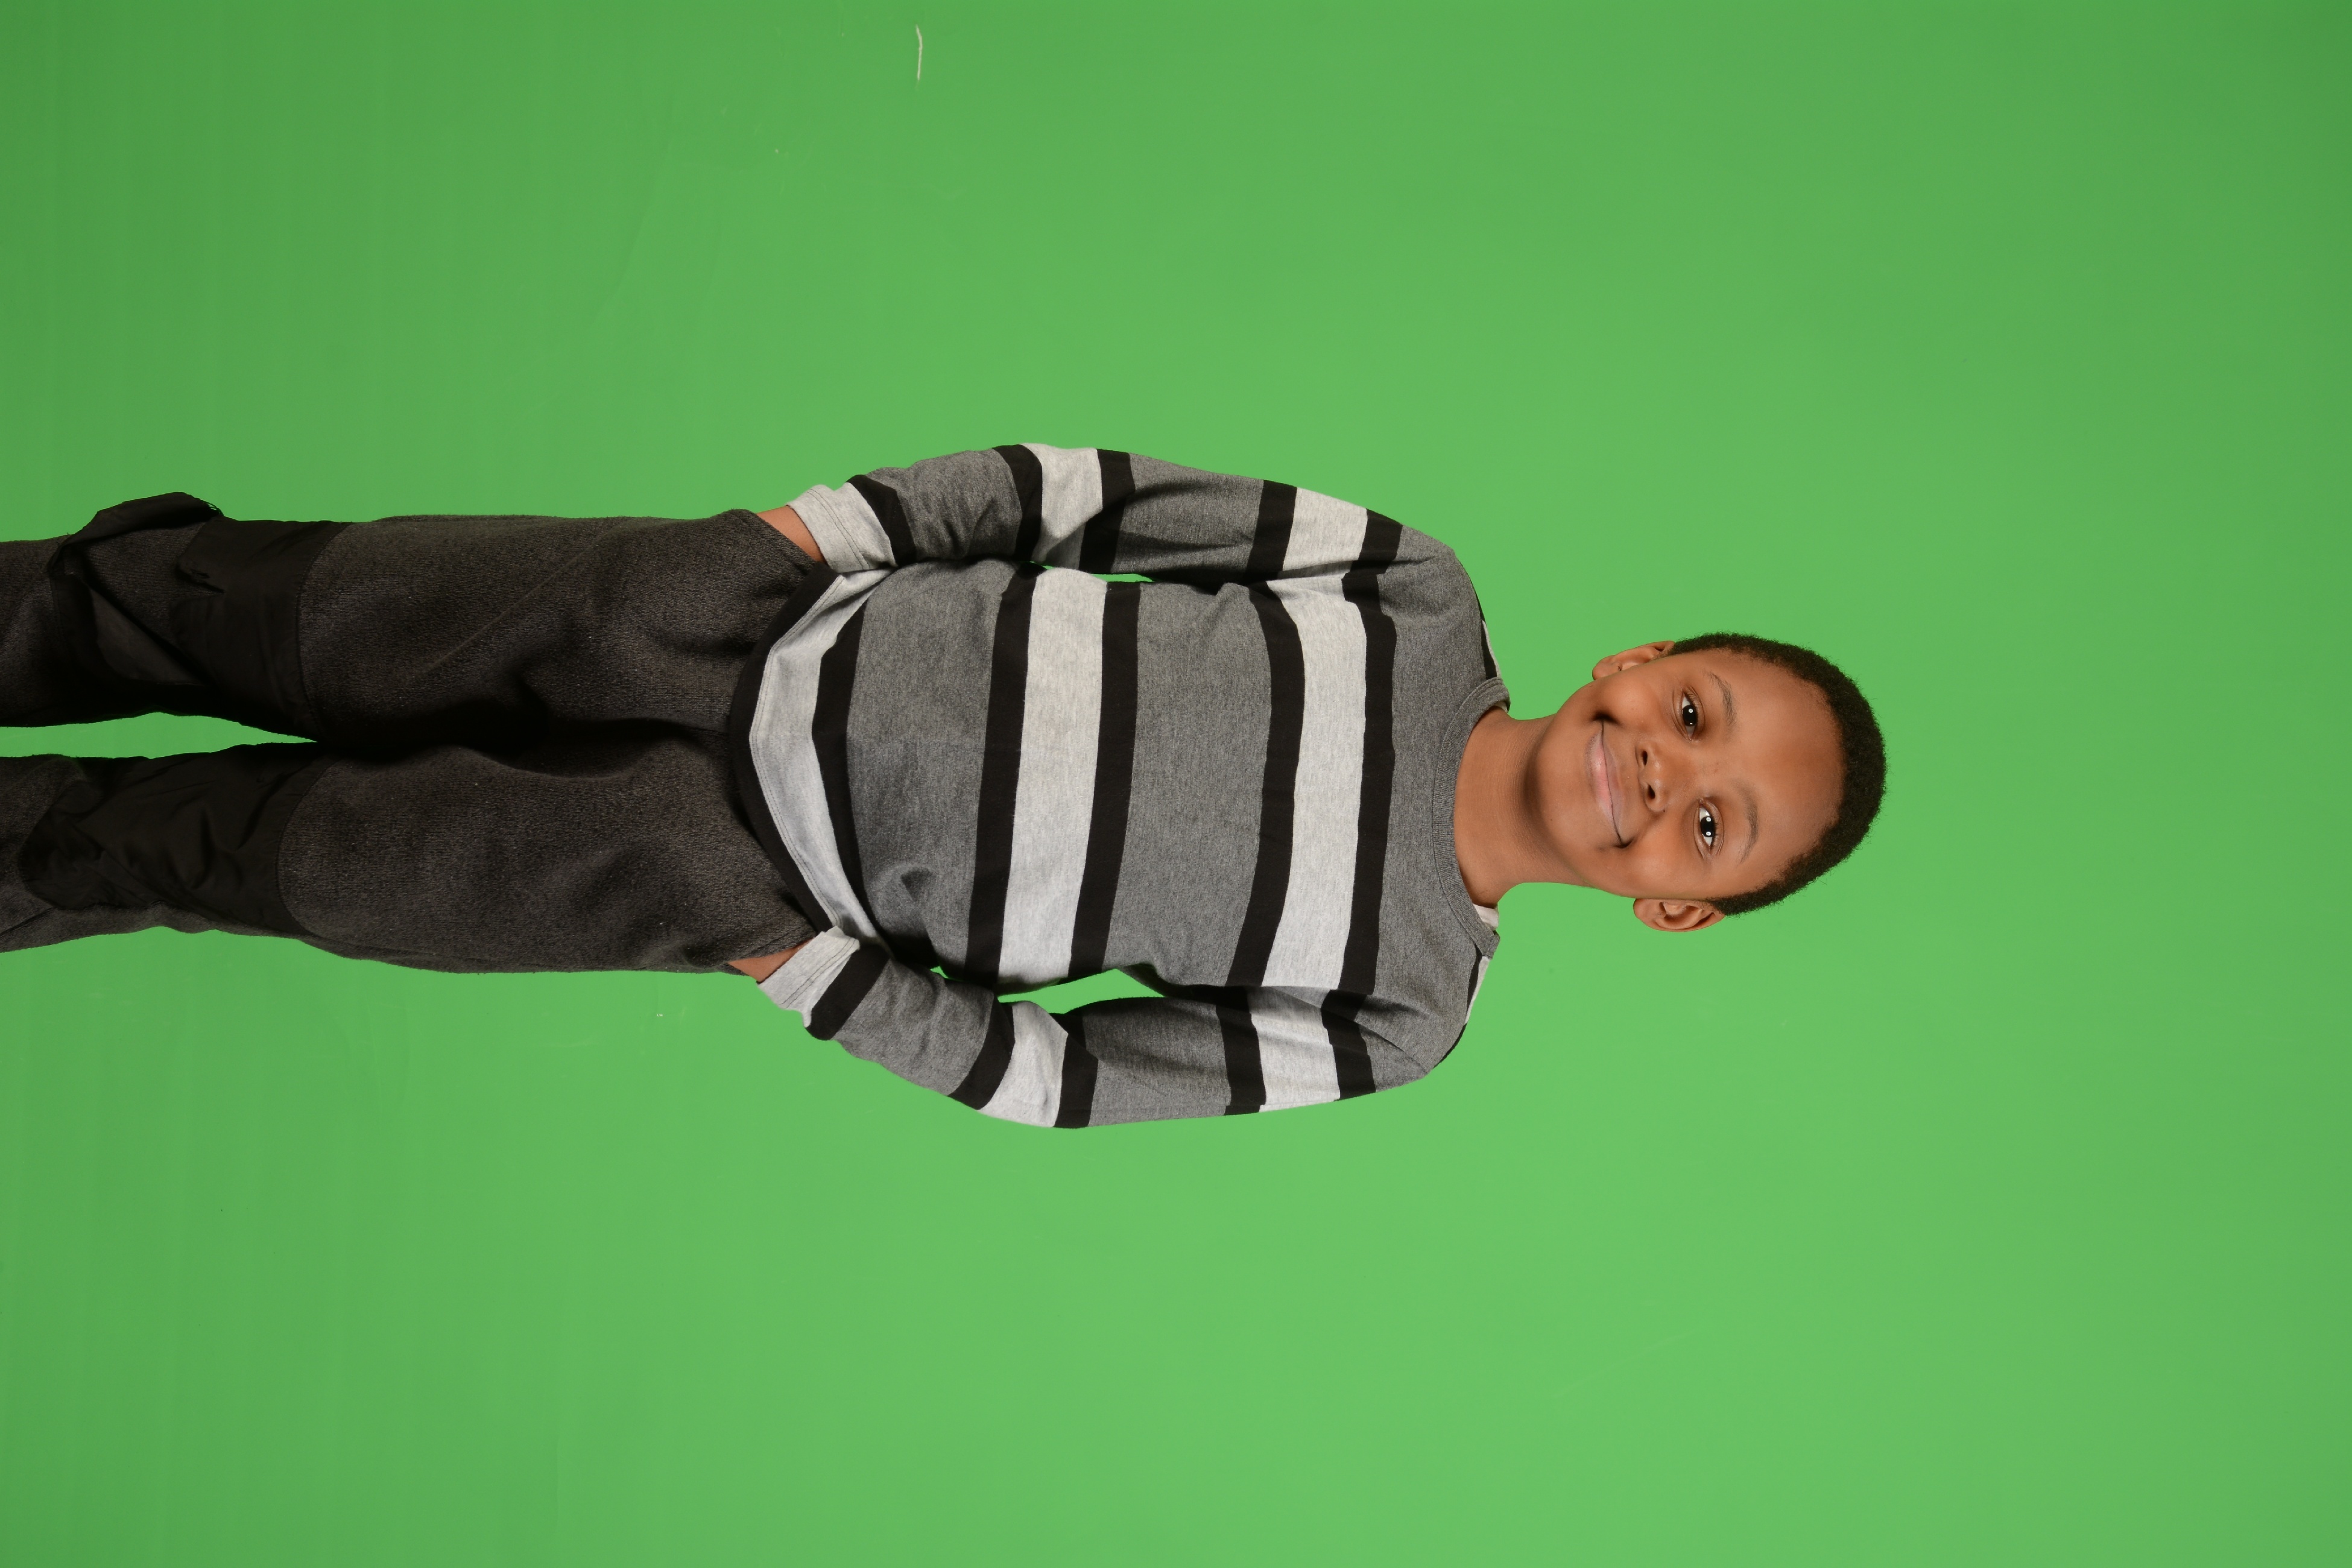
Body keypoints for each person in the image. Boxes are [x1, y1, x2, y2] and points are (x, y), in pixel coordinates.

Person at [0, 445, 1885, 1127]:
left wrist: (798, 964)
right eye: (1696, 709)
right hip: (712, 620)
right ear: (1644, 654)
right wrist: (805, 539)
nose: (1665, 771)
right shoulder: (1407, 588)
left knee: (249, 852)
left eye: (1710, 823)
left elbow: (1067, 1079)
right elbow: (1081, 498)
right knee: (242, 606)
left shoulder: (1399, 1012)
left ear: (1677, 904)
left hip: (721, 871)